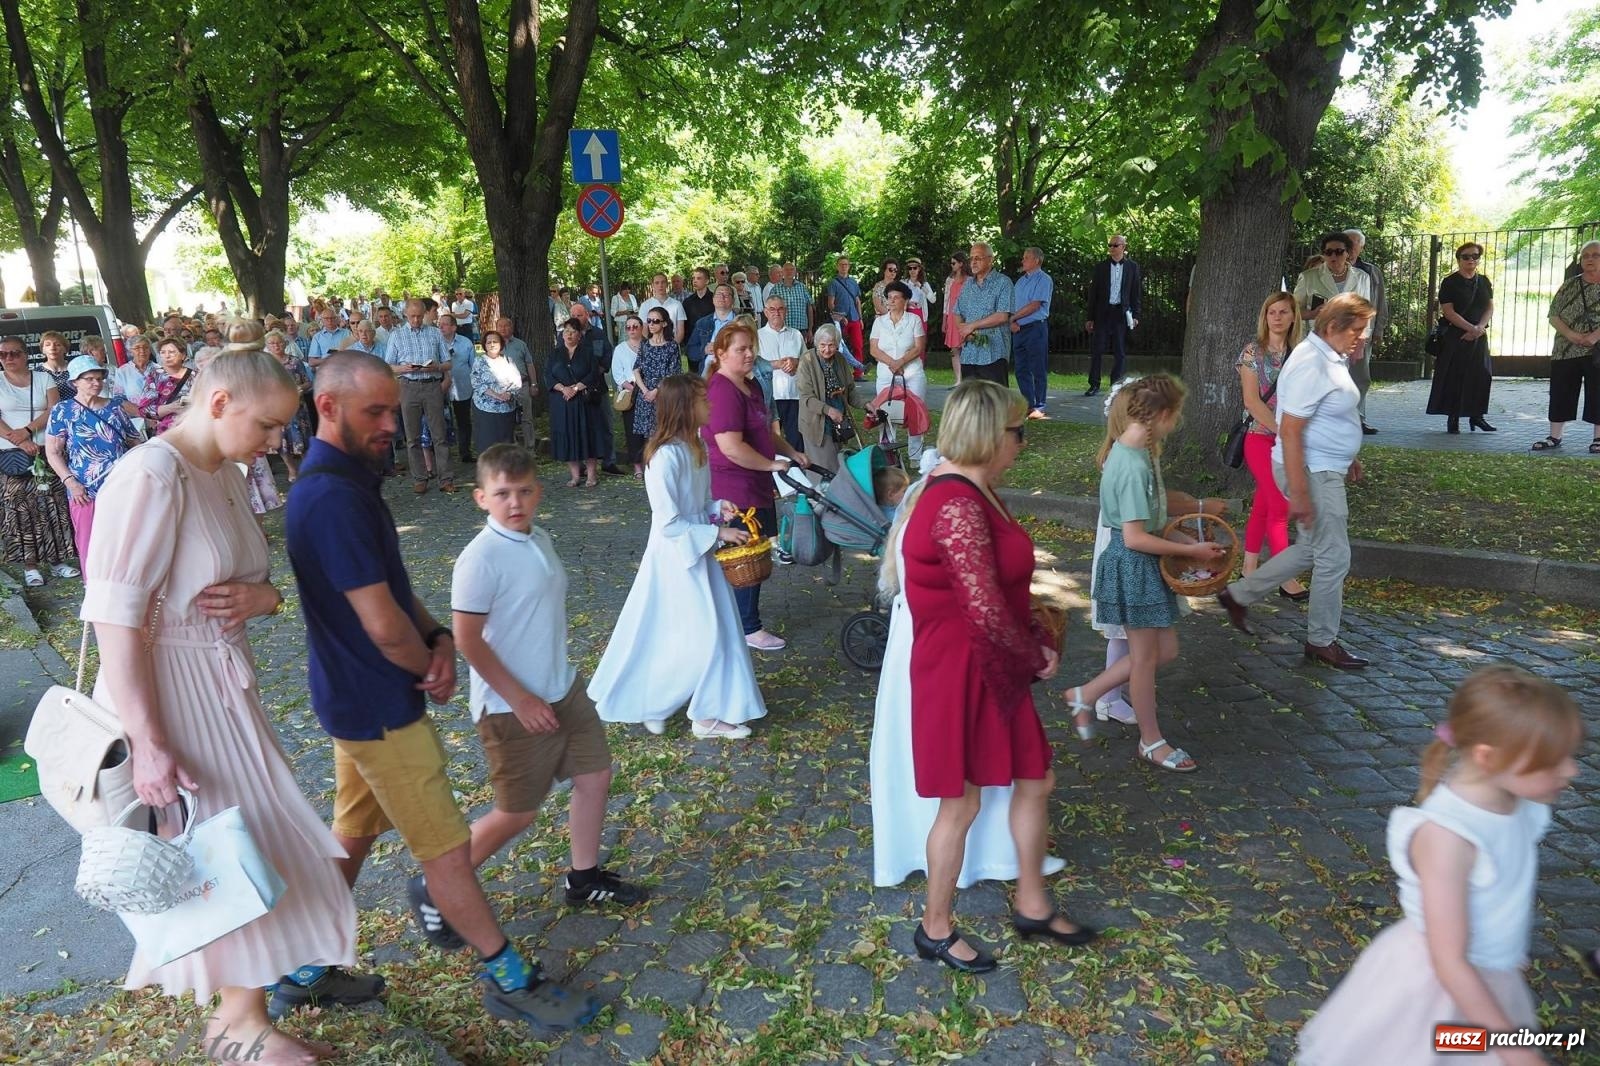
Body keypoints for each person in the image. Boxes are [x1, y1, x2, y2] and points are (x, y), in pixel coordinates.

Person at [285, 351, 597, 1033]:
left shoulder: (350, 479)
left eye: (393, 408)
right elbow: (381, 623)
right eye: (375, 411)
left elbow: (393, 591)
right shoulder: (331, 497)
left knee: (352, 834)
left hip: (353, 700)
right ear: (327, 407)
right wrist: (431, 661)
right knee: (447, 853)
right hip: (378, 708)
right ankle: (510, 978)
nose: (390, 423)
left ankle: (300, 969)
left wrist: (439, 638)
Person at [85, 348, 364, 1061]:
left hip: (221, 684)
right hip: (168, 694)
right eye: (267, 425)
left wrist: (261, 598)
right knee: (232, 848)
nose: (276, 440)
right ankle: (239, 1025)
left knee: (250, 845)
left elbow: (253, 585)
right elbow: (114, 615)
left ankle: (239, 1017)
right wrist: (148, 742)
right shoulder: (151, 474)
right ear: (218, 404)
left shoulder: (224, 474)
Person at [898, 380, 1095, 974]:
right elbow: (982, 607)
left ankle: (1032, 904)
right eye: (1017, 432)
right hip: (959, 672)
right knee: (960, 804)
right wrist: (1034, 653)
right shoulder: (955, 502)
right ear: (989, 434)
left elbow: (998, 591)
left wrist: (1032, 634)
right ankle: (934, 929)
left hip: (989, 665)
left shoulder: (978, 491)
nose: (1023, 443)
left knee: (1035, 778)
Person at [1297, 666, 1582, 1066]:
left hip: (1487, 976)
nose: (1571, 770)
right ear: (1488, 757)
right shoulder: (1450, 838)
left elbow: (1502, 888)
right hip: (1437, 988)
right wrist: (1516, 1050)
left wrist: (1506, 946)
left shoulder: (1522, 805)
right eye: (1552, 761)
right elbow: (1449, 960)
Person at [450, 444, 648, 907]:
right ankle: (439, 885)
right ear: (481, 498)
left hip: (562, 687)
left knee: (595, 775)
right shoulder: (480, 558)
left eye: (524, 491)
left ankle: (583, 879)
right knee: (517, 813)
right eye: (502, 494)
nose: (514, 503)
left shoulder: (538, 537)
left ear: (538, 492)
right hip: (509, 706)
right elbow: (467, 639)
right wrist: (520, 699)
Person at [590, 375, 770, 739]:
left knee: (714, 630)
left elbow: (698, 505)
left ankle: (685, 707)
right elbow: (670, 521)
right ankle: (691, 712)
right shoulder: (664, 457)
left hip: (698, 553)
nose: (710, 405)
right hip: (675, 559)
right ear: (685, 407)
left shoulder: (696, 446)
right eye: (703, 400)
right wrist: (718, 533)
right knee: (694, 632)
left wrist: (718, 508)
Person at [1064, 375, 1225, 774]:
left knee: (1162, 652)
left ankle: (1087, 693)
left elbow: (1151, 517)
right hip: (1133, 566)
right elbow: (1134, 538)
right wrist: (1189, 551)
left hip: (1140, 564)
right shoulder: (1132, 463)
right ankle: (1150, 741)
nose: (1178, 421)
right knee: (1144, 659)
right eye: (1177, 414)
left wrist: (1185, 534)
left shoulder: (1139, 450)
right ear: (1162, 414)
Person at [1217, 293, 1378, 669]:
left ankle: (1238, 595)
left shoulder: (1328, 355)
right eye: (1357, 329)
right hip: (1313, 472)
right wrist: (1301, 491)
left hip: (1322, 466)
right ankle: (1322, 640)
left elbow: (1329, 414)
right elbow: (1289, 430)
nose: (1363, 336)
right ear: (1333, 326)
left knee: (1310, 548)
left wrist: (1348, 453)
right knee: (1334, 556)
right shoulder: (1311, 363)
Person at [704, 320, 809, 652]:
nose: (750, 354)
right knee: (743, 555)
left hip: (755, 482)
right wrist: (771, 465)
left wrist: (791, 452)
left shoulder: (751, 386)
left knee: (755, 550)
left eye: (751, 348)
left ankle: (742, 619)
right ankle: (747, 627)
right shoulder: (722, 390)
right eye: (741, 349)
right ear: (721, 353)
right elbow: (731, 446)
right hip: (735, 487)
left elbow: (764, 431)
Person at [1235, 293, 1308, 600]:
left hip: (1290, 439)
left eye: (1283, 312)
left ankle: (1249, 568)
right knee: (1279, 504)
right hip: (1259, 437)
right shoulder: (1252, 352)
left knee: (1264, 504)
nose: (1277, 317)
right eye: (1271, 312)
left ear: (1293, 317)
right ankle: (1284, 577)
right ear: (1265, 317)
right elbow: (1251, 401)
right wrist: (1283, 432)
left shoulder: (1302, 353)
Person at [46, 354, 137, 568]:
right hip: (83, 490)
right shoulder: (63, 411)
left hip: (120, 486)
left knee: (123, 542)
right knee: (89, 542)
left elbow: (135, 441)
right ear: (75, 382)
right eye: (89, 379)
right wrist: (71, 482)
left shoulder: (114, 407)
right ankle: (93, 584)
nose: (96, 383)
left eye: (99, 378)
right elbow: (53, 452)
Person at [0, 337, 77, 587]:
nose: (8, 358)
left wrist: (27, 431)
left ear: (26, 354)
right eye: (2, 354)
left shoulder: (43, 378)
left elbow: (54, 409)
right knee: (20, 509)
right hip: (12, 453)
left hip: (46, 448)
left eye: (14, 353)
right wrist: (20, 441)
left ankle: (57, 559)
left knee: (52, 505)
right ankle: (30, 565)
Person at [1533, 239, 1600, 453]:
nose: (1590, 259)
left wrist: (1594, 336)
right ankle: (1554, 436)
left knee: (1598, 392)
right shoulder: (1569, 285)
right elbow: (1553, 315)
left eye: (1595, 255)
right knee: (1561, 392)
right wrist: (1572, 335)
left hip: (1597, 350)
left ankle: (1598, 438)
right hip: (1565, 349)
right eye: (1585, 256)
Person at [1424, 243, 1497, 434]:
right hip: (1456, 336)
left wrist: (1479, 328)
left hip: (1478, 335)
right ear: (1458, 259)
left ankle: (1477, 416)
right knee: (1455, 376)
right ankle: (1453, 417)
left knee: (1481, 375)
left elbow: (1489, 307)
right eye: (1466, 256)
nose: (1471, 259)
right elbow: (1448, 312)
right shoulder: (1450, 282)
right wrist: (1470, 328)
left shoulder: (1484, 281)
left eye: (1475, 256)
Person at [385, 299, 455, 495]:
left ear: (424, 314)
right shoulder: (397, 335)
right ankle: (420, 478)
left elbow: (448, 363)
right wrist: (403, 368)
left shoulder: (434, 333)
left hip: (432, 385)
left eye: (419, 316)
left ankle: (445, 478)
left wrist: (436, 367)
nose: (416, 320)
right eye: (412, 316)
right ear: (405, 315)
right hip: (409, 387)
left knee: (439, 435)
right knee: (412, 437)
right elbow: (388, 365)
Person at [869, 281, 928, 463]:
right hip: (886, 375)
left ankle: (915, 456)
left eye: (896, 297)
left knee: (915, 412)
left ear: (905, 300)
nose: (892, 301)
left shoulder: (914, 320)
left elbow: (919, 347)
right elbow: (874, 349)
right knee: (884, 413)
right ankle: (889, 457)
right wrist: (892, 363)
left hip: (912, 373)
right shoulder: (879, 322)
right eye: (889, 298)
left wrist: (901, 362)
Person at [546, 319, 607, 487]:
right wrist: (563, 389)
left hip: (584, 401)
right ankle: (575, 476)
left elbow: (593, 374)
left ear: (580, 335)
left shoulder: (588, 353)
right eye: (566, 331)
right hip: (563, 402)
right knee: (568, 437)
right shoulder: (555, 354)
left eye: (573, 331)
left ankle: (591, 475)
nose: (569, 334)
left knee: (588, 436)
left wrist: (576, 388)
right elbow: (548, 376)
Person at [1085, 235, 1142, 397]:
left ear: (1123, 247)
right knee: (1097, 350)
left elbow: (1135, 292)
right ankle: (1094, 384)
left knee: (1120, 351)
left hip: (1121, 313)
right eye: (1109, 245)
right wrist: (1090, 317)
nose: (1111, 248)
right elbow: (1093, 294)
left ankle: (1115, 386)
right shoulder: (1101, 267)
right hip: (1103, 312)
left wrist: (1135, 314)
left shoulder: (1132, 267)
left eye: (1115, 245)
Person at [795, 324, 859, 470]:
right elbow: (807, 398)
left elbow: (850, 390)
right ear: (816, 343)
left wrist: (866, 404)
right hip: (816, 424)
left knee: (838, 464)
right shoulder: (807, 360)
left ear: (837, 344)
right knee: (824, 468)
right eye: (822, 345)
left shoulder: (840, 359)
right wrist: (829, 410)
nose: (827, 350)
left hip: (838, 423)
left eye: (831, 345)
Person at [630, 310, 683, 479]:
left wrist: (656, 391)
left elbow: (674, 373)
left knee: (666, 433)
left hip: (664, 395)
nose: (651, 324)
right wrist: (645, 390)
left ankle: (668, 469)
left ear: (664, 323)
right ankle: (652, 470)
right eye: (649, 320)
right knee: (649, 436)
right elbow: (636, 369)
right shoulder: (645, 345)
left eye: (656, 321)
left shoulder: (672, 346)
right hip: (645, 395)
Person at [953, 242, 1014, 385]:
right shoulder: (968, 285)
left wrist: (972, 326)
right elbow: (957, 312)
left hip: (994, 353)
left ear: (990, 260)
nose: (973, 262)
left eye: (978, 258)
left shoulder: (1003, 282)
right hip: (969, 354)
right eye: (971, 258)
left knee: (995, 397)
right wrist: (964, 330)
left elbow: (1002, 316)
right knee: (971, 398)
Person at [1345, 229, 1387, 433]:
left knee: (1360, 377)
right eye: (1347, 242)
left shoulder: (1371, 271)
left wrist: (1378, 329)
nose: (1351, 247)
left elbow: (1380, 301)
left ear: (1361, 247)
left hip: (1363, 332)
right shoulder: (1327, 268)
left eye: (1355, 243)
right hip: (1334, 334)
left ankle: (1358, 419)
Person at [1010, 247, 1053, 420]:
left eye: (1026, 257)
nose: (1023, 260)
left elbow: (1035, 305)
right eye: (1023, 257)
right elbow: (1012, 303)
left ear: (1037, 260)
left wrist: (1013, 318)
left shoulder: (1044, 279)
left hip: (1035, 328)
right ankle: (1028, 404)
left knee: (1038, 368)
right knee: (1021, 369)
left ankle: (1039, 406)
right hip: (1018, 330)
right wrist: (1012, 321)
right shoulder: (1020, 281)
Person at [759, 295, 806, 447]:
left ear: (786, 311)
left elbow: (807, 362)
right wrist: (776, 364)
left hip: (794, 395)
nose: (776, 313)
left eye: (780, 309)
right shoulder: (757, 336)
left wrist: (796, 362)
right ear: (766, 312)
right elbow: (752, 365)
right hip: (769, 396)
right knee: (769, 441)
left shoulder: (796, 334)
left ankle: (796, 463)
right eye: (772, 309)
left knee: (797, 441)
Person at [266, 329, 312, 482]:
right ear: (267, 345)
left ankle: (307, 468)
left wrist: (299, 389)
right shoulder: (265, 364)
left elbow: (308, 382)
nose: (276, 346)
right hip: (276, 408)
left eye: (279, 342)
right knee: (281, 440)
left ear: (285, 343)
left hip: (296, 406)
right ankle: (292, 469)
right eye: (272, 343)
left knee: (301, 438)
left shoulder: (295, 361)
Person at [471, 330, 523, 452]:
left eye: (495, 342)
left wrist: (509, 393)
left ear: (501, 344)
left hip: (506, 407)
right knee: (488, 443)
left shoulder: (508, 360)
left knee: (506, 444)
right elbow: (476, 382)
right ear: (485, 345)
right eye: (489, 342)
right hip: (485, 409)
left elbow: (517, 381)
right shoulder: (479, 361)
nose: (492, 344)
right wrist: (496, 395)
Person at [439, 312, 476, 464]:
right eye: (439, 324)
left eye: (445, 324)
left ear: (454, 327)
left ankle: (465, 452)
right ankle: (443, 455)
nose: (441, 327)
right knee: (441, 421)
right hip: (441, 387)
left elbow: (473, 366)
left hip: (462, 386)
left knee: (464, 421)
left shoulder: (466, 343)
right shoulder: (435, 341)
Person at [611, 314, 645, 475]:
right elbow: (618, 374)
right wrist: (633, 389)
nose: (632, 330)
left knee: (650, 431)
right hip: (630, 393)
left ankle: (651, 463)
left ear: (641, 328)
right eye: (628, 327)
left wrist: (645, 390)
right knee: (633, 431)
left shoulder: (649, 346)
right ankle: (637, 466)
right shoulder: (620, 349)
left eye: (635, 326)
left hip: (649, 393)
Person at [141, 337, 197, 435]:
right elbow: (145, 410)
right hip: (166, 433)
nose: (167, 356)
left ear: (183, 355)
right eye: (163, 352)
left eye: (172, 352)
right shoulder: (154, 376)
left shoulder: (195, 376)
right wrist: (171, 408)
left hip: (193, 430)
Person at [113, 334, 160, 431]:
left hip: (159, 420)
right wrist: (144, 416)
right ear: (130, 351)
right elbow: (119, 399)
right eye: (137, 348)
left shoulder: (160, 370)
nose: (142, 351)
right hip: (137, 423)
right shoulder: (123, 371)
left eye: (145, 347)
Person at [826, 256, 865, 371]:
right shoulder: (833, 283)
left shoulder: (853, 282)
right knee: (839, 347)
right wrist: (839, 317)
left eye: (846, 264)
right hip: (840, 321)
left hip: (854, 318)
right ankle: (840, 372)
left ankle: (858, 373)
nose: (844, 267)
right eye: (841, 264)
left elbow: (857, 301)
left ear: (849, 266)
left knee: (858, 345)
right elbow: (831, 303)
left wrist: (860, 318)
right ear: (837, 267)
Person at [942, 252, 970, 384]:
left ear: (961, 264)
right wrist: (944, 320)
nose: (951, 265)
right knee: (954, 349)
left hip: (966, 317)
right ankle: (958, 379)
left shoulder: (970, 280)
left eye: (954, 263)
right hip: (952, 317)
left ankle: (967, 378)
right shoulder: (949, 280)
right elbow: (946, 301)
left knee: (966, 347)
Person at [639, 274, 687, 346]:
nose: (660, 285)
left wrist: (672, 347)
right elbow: (644, 329)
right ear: (652, 285)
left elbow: (680, 331)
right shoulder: (645, 305)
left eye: (663, 282)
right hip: (652, 347)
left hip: (672, 346)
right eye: (657, 283)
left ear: (667, 284)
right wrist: (653, 345)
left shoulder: (677, 304)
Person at [771, 263, 812, 344]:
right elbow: (771, 310)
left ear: (795, 272)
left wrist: (810, 329)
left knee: (802, 352)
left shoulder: (802, 287)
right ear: (782, 272)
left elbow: (809, 307)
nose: (789, 272)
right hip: (782, 330)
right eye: (786, 270)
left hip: (801, 331)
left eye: (792, 269)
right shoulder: (775, 289)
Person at [903, 258, 936, 326]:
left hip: (920, 314)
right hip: (906, 314)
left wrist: (921, 287)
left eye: (915, 268)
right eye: (910, 268)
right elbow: (898, 299)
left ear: (919, 269)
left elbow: (933, 300)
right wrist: (908, 303)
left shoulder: (924, 284)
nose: (912, 270)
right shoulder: (903, 283)